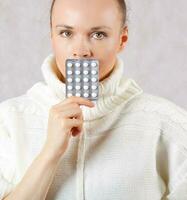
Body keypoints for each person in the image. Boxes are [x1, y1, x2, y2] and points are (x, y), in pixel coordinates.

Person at [1, 0, 187, 199]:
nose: (81, 51)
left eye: (98, 34)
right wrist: (50, 152)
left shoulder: (167, 124)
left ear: (122, 39)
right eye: (66, 33)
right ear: (52, 34)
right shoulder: (9, 121)